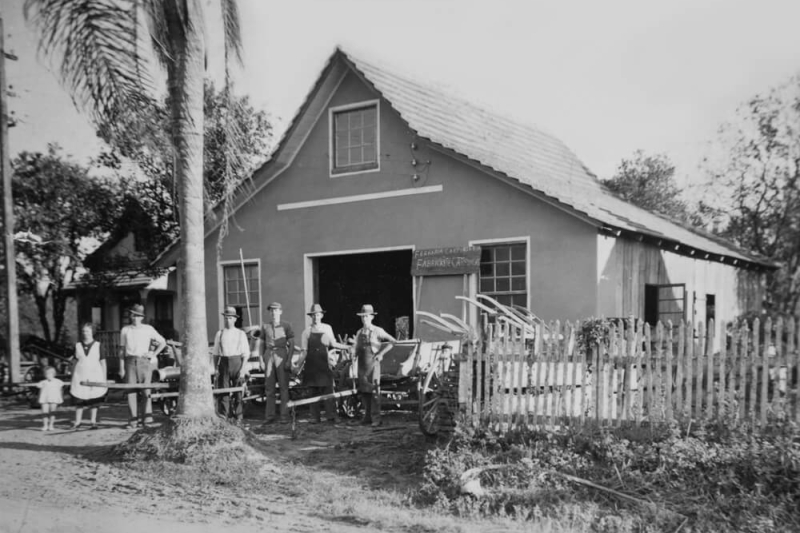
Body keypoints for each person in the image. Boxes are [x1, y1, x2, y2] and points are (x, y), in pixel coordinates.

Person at [293, 304, 351, 424]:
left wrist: (348, 347)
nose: (316, 317)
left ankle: (332, 415)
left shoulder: (327, 328)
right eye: (313, 315)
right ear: (311, 317)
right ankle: (314, 417)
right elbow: (304, 351)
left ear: (322, 315)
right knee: (312, 392)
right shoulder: (306, 332)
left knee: (329, 390)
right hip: (311, 365)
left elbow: (334, 344)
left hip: (324, 365)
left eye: (318, 315)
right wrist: (297, 365)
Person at [118, 304, 167, 429]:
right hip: (130, 362)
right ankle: (133, 421)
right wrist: (121, 367)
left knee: (146, 391)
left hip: (144, 362)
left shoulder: (148, 329)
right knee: (131, 392)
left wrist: (153, 354)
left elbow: (162, 342)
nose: (135, 318)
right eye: (133, 315)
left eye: (138, 316)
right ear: (130, 316)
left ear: (142, 317)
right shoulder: (125, 330)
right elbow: (122, 351)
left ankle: (147, 420)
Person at [353, 304, 396, 427]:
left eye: (366, 316)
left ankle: (376, 419)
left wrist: (381, 353)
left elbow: (393, 341)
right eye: (362, 317)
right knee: (364, 392)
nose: (364, 319)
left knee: (374, 392)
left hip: (373, 364)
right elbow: (356, 348)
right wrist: (353, 355)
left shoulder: (377, 330)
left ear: (371, 317)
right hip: (361, 365)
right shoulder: (359, 332)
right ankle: (367, 417)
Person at [212, 306, 251, 422]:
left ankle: (238, 416)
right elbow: (215, 353)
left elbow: (246, 354)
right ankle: (225, 415)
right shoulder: (220, 334)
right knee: (224, 391)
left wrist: (243, 369)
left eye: (230, 318)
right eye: (226, 318)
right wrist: (216, 369)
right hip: (224, 363)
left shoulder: (240, 334)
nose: (228, 320)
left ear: (235, 319)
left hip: (237, 362)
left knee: (238, 391)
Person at [261, 302, 295, 424]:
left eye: (276, 310)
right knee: (269, 388)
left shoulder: (286, 326)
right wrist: (261, 359)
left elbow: (291, 344)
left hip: (282, 355)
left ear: (280, 311)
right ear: (269, 313)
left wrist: (289, 360)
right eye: (271, 311)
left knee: (284, 387)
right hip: (269, 355)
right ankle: (269, 416)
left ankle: (284, 416)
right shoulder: (265, 326)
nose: (274, 313)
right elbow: (261, 344)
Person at [70, 322, 108, 429]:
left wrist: (104, 378)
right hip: (80, 374)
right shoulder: (77, 346)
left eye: (87, 331)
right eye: (83, 331)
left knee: (94, 399)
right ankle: (77, 422)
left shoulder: (98, 345)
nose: (85, 333)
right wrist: (73, 375)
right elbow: (74, 361)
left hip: (95, 374)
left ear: (92, 332)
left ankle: (93, 421)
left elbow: (103, 362)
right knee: (79, 399)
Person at [36, 366, 64, 431]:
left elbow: (61, 389)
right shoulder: (43, 382)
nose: (49, 375)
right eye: (47, 374)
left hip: (53, 398)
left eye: (50, 373)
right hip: (45, 399)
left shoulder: (58, 381)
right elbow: (38, 388)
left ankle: (51, 425)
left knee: (52, 412)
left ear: (54, 374)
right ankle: (45, 425)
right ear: (45, 375)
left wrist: (60, 398)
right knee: (44, 412)